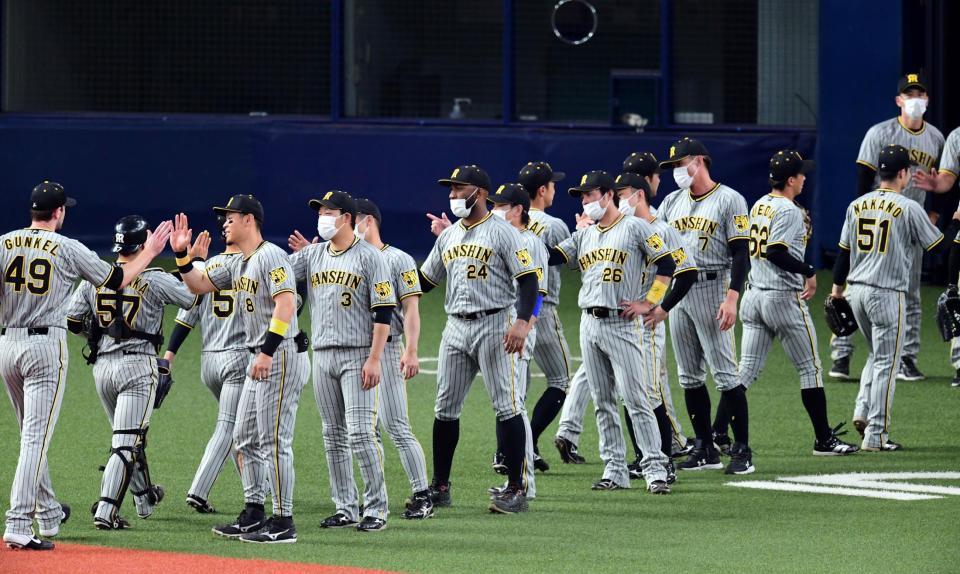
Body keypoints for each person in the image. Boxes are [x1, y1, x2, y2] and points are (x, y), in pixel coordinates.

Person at [1, 182, 171, 550]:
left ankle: (47, 513)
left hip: (7, 344)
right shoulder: (68, 247)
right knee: (35, 437)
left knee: (30, 433)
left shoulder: (3, 242)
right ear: (59, 212)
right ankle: (17, 521)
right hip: (44, 348)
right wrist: (152, 251)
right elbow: (118, 279)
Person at [172, 196, 310, 544]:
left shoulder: (271, 256)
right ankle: (254, 510)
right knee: (243, 436)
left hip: (278, 355)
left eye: (230, 217)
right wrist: (182, 256)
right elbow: (199, 285)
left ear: (249, 219)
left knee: (275, 439)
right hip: (256, 358)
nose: (224, 223)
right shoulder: (238, 262)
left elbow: (286, 303)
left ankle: (283, 520)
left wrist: (266, 351)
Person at [547, 170, 680, 493]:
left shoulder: (635, 227)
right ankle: (615, 470)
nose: (585, 201)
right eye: (582, 196)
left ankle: (655, 470)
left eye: (590, 195)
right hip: (589, 323)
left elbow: (667, 264)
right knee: (603, 401)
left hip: (622, 325)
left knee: (636, 399)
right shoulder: (585, 236)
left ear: (608, 195)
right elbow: (550, 256)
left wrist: (648, 303)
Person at [419, 165, 540, 514]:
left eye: (460, 189)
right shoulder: (450, 236)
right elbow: (426, 280)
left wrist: (520, 322)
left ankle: (516, 489)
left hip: (495, 324)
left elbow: (529, 279)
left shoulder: (503, 233)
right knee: (444, 409)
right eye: (452, 190)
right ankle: (440, 485)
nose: (454, 196)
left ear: (481, 193)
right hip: (455, 327)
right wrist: (391, 293)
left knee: (507, 405)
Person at [66, 215, 198, 530]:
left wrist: (96, 337)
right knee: (126, 442)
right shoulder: (153, 277)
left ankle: (144, 497)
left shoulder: (96, 277)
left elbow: (72, 320)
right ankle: (106, 511)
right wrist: (189, 259)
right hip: (137, 366)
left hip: (102, 370)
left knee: (128, 437)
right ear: (144, 243)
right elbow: (191, 297)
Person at [738, 151, 858, 455]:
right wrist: (808, 271)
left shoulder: (760, 204)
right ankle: (823, 439)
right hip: (781, 298)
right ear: (791, 180)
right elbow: (775, 251)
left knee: (745, 372)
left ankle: (717, 434)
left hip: (753, 296)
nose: (805, 178)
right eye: (801, 174)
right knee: (811, 368)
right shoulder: (788, 210)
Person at [830, 73, 945, 382]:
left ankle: (907, 357)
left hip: (909, 224)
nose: (915, 99)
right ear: (898, 100)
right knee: (857, 285)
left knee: (910, 291)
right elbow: (860, 180)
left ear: (928, 99)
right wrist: (858, 218)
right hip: (874, 219)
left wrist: (934, 211)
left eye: (920, 93)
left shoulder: (935, 138)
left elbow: (942, 181)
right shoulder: (879, 133)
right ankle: (841, 355)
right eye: (909, 94)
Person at [831, 145, 942, 450]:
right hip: (887, 295)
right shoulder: (908, 207)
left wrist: (837, 289)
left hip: (856, 293)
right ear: (904, 173)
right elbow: (938, 248)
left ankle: (862, 411)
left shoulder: (856, 205)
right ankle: (876, 435)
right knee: (888, 364)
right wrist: (956, 221)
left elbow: (843, 252)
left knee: (877, 356)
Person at [656, 137, 754, 475]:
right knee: (689, 376)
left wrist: (732, 297)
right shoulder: (671, 202)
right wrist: (659, 300)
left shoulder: (730, 199)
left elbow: (742, 253)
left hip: (714, 288)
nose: (676, 172)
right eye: (672, 167)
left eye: (681, 164)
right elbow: (661, 255)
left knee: (726, 374)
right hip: (679, 293)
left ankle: (742, 449)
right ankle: (704, 447)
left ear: (699, 161)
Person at [612, 170, 697, 481]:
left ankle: (665, 463)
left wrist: (658, 305)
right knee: (629, 393)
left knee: (648, 394)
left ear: (639, 195)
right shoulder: (622, 229)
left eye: (622, 194)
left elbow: (686, 272)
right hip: (622, 326)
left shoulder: (662, 230)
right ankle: (642, 458)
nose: (619, 200)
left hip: (647, 326)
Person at [163, 225, 253, 515]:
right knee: (230, 426)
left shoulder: (204, 269)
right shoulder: (248, 268)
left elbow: (185, 319)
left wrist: (169, 356)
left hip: (208, 362)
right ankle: (198, 490)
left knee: (240, 428)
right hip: (237, 360)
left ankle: (255, 489)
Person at [484, 183, 549, 500]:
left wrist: (525, 328)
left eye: (502, 205)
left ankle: (524, 485)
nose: (495, 209)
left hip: (519, 330)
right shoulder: (498, 238)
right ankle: (513, 476)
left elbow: (537, 293)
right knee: (506, 405)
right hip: (501, 328)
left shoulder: (531, 243)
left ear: (518, 210)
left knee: (515, 406)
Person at [517, 162, 572, 472]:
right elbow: (578, 261)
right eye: (552, 184)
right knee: (561, 379)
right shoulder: (553, 225)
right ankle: (530, 443)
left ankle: (508, 451)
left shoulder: (505, 223)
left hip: (509, 312)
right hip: (541, 310)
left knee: (515, 391)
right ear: (542, 190)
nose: (555, 189)